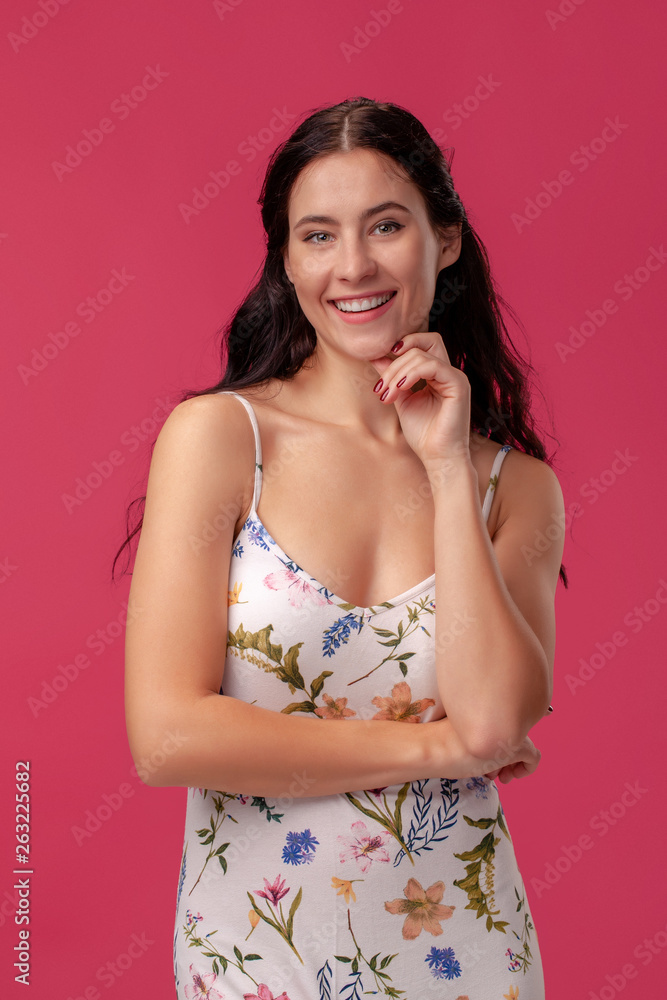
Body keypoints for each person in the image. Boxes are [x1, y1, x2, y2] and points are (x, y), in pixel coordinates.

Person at [119, 96, 567, 1000]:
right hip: (258, 958)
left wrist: (444, 465)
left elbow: (491, 723)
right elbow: (166, 737)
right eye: (317, 235)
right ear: (285, 261)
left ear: (444, 239)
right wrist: (436, 754)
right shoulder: (220, 440)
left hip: (466, 954)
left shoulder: (510, 489)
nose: (353, 265)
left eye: (387, 226)